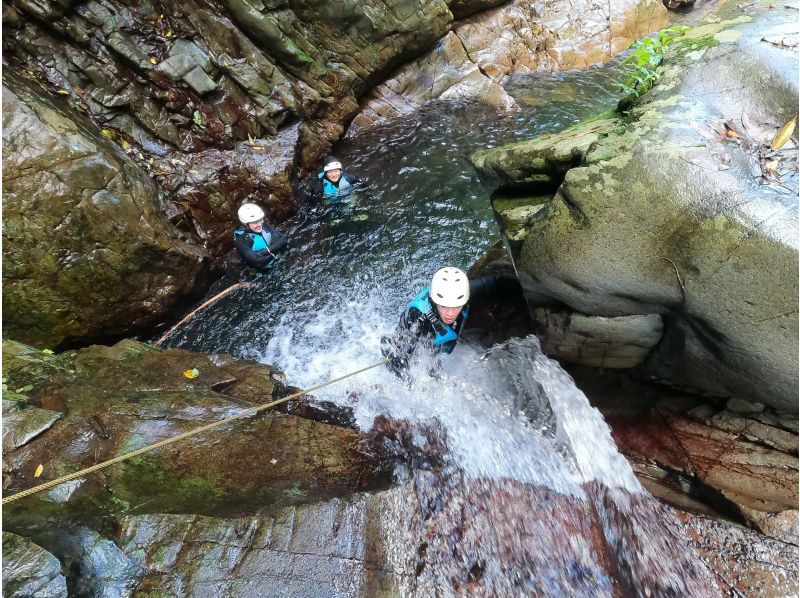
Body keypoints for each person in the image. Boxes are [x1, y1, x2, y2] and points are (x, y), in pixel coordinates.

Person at [380, 267, 521, 377]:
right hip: (413, 336)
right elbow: (402, 364)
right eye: (444, 306)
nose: (450, 313)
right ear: (435, 302)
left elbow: (499, 281)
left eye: (456, 307)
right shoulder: (419, 318)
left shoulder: (462, 293)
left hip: (437, 338)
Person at [232, 202, 288, 271]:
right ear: (245, 223)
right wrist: (276, 249)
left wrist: (264, 252)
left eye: (261, 220)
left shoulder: (264, 225)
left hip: (277, 260)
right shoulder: (242, 240)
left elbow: (284, 238)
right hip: (265, 271)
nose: (260, 224)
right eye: (255, 222)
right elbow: (257, 262)